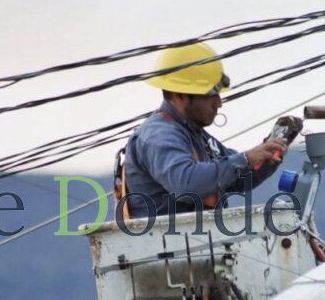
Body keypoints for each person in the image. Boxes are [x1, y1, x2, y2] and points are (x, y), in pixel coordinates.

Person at [116, 42, 289, 219]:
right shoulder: (158, 136)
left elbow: (238, 179)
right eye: (210, 95)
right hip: (165, 243)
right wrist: (246, 158)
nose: (219, 103)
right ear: (180, 95)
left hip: (194, 241)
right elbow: (187, 182)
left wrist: (269, 155)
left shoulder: (196, 136)